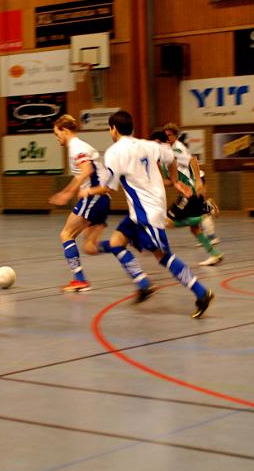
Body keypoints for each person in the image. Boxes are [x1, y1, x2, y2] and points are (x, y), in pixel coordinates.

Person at [81, 110, 214, 318]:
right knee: (117, 242)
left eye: (109, 128)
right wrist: (175, 180)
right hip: (141, 211)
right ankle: (143, 284)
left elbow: (109, 187)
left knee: (162, 256)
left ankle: (201, 292)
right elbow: (170, 158)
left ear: (113, 129)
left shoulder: (115, 152)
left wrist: (88, 190)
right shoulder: (148, 145)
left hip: (147, 212)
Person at [49, 114, 110, 292]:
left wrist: (67, 193)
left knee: (66, 234)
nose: (57, 138)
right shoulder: (79, 147)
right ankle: (121, 243)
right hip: (102, 198)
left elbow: (86, 170)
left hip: (93, 197)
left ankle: (79, 280)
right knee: (90, 247)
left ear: (65, 130)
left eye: (56, 133)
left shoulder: (76, 147)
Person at [161, 122, 222, 266]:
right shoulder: (166, 152)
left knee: (168, 222)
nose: (167, 138)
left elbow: (193, 160)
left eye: (169, 135)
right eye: (165, 136)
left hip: (189, 192)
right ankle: (214, 254)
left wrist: (198, 181)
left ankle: (205, 212)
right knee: (195, 230)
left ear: (175, 136)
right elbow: (172, 179)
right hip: (187, 191)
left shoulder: (177, 149)